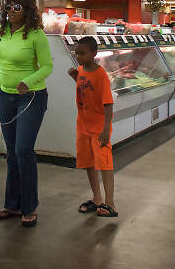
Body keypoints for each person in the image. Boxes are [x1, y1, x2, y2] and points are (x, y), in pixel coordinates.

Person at [0, 0, 53, 228]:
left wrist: (29, 81)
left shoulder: (36, 35)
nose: (12, 11)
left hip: (32, 98)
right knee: (11, 152)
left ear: (27, 10)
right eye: (8, 6)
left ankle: (30, 207)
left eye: (17, 7)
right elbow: (4, 66)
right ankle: (11, 205)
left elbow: (47, 67)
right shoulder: (2, 31)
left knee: (23, 149)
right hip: (6, 97)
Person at [68, 37, 117, 218]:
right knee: (88, 162)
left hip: (98, 127)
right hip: (83, 125)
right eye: (77, 53)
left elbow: (108, 104)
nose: (78, 56)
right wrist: (76, 78)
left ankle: (110, 202)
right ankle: (97, 198)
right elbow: (86, 91)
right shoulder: (80, 70)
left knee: (104, 163)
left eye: (83, 53)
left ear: (94, 54)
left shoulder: (101, 74)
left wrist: (105, 130)